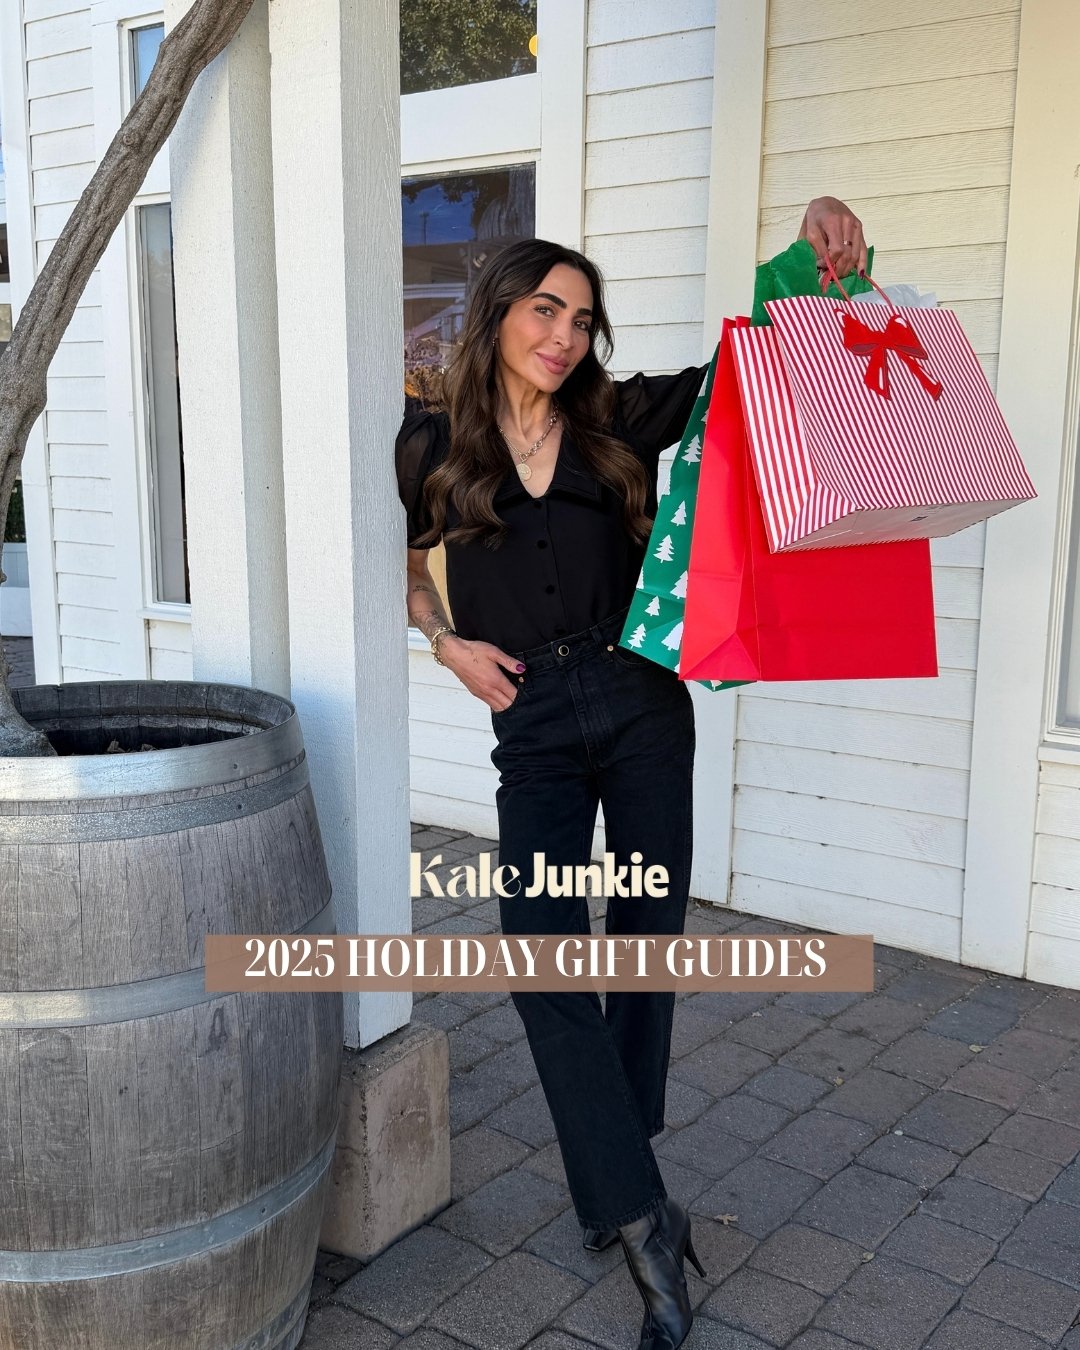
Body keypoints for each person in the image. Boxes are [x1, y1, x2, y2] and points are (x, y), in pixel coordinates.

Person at [396, 198, 866, 1350]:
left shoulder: (612, 414)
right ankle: (648, 1216)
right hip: (536, 719)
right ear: (499, 308)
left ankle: (617, 1182)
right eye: (545, 308)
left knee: (643, 950)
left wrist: (812, 263)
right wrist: (443, 641)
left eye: (582, 318)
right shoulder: (429, 440)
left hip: (645, 700)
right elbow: (410, 569)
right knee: (549, 963)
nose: (563, 333)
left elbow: (747, 369)